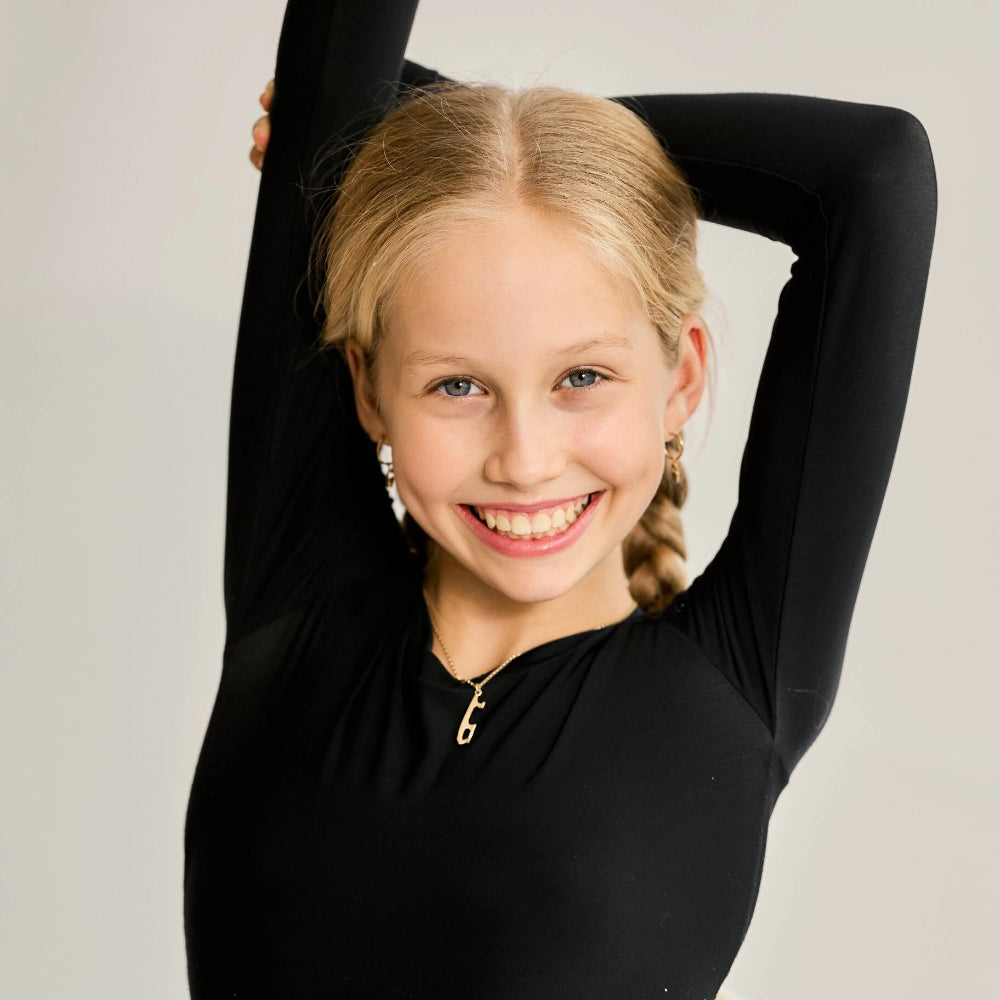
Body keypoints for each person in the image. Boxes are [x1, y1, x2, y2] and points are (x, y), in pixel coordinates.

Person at [184, 0, 936, 996]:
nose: (525, 459)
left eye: (581, 377)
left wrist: (490, 136)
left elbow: (873, 176)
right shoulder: (301, 603)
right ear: (368, 391)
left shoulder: (724, 694)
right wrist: (460, 137)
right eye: (458, 386)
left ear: (679, 379)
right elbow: (337, 40)